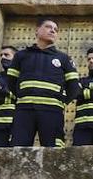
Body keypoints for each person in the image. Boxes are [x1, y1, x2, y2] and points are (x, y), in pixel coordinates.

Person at [10, 18, 79, 148]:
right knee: (19, 149)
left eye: (56, 30)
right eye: (48, 27)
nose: (53, 30)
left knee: (53, 151)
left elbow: (74, 86)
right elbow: (11, 81)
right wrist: (24, 96)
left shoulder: (64, 58)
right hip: (25, 110)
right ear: (37, 30)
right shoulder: (21, 56)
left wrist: (60, 101)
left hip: (52, 111)